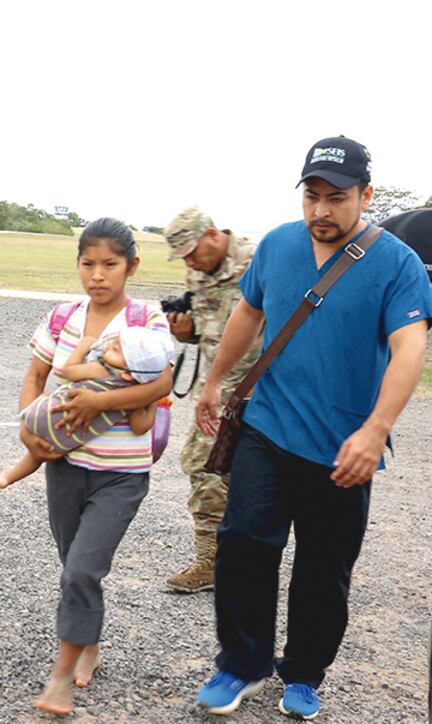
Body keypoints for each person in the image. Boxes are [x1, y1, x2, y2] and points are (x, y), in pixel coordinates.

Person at [193, 136, 431, 719]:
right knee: (244, 543)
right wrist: (215, 379)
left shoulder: (397, 264)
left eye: (338, 197)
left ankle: (303, 673)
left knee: (324, 568)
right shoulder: (278, 245)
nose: (321, 210)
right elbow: (249, 310)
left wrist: (376, 430)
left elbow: (409, 350)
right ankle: (241, 664)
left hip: (344, 446)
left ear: (366, 196)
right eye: (312, 195)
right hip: (268, 428)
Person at [7, 218, 174, 716]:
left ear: (132, 266)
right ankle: (89, 641)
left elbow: (161, 384)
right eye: (88, 264)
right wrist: (28, 432)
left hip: (121, 474)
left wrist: (98, 405)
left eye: (110, 264)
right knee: (73, 565)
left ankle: (59, 678)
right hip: (64, 465)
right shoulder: (63, 317)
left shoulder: (147, 319)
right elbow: (36, 375)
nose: (97, 275)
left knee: (82, 568)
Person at [160, 206, 261, 593]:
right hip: (216, 392)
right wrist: (186, 332)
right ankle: (210, 560)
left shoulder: (256, 261)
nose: (188, 261)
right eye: (182, 256)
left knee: (258, 476)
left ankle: (247, 559)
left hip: (261, 388)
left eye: (191, 251)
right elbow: (209, 332)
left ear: (214, 234)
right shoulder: (198, 271)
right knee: (204, 466)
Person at [0, 326, 173, 488]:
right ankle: (8, 477)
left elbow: (68, 371)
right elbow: (140, 426)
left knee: (37, 450)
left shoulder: (101, 369)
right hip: (67, 438)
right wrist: (151, 399)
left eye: (115, 349)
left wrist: (83, 345)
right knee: (39, 456)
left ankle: (7, 476)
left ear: (127, 373)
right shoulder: (132, 397)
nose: (108, 346)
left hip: (44, 412)